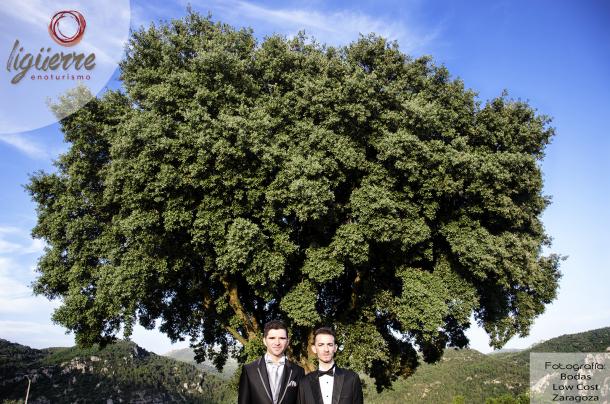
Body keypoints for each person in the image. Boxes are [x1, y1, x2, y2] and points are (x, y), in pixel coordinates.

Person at [239, 320, 305, 404]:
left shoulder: (298, 371)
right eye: (272, 338)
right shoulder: (249, 370)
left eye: (282, 338)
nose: (277, 343)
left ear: (287, 342)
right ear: (264, 341)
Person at [297, 327, 363, 404]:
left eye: (330, 345)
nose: (326, 349)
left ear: (335, 348)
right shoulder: (304, 383)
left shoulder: (352, 379)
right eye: (321, 345)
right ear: (314, 348)